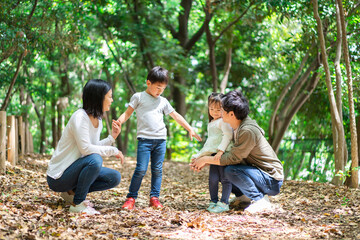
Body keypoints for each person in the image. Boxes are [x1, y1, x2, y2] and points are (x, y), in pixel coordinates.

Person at [118, 66, 202, 210]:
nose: (160, 91)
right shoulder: (138, 97)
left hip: (160, 140)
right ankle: (131, 198)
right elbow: (127, 113)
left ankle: (154, 198)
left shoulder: (163, 101)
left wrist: (190, 129)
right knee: (141, 169)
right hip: (144, 140)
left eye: (163, 88)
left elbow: (176, 116)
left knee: (157, 170)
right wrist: (119, 122)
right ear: (148, 83)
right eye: (157, 87)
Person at [190, 90, 283, 214]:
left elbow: (233, 158)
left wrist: (205, 159)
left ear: (231, 114)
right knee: (221, 170)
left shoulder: (247, 131)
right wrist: (206, 161)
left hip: (271, 179)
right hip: (256, 172)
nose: (219, 112)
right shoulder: (236, 126)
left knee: (230, 170)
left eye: (222, 110)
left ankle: (260, 200)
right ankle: (243, 196)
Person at [46, 79, 124, 215]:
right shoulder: (80, 117)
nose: (112, 100)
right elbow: (86, 149)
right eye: (110, 97)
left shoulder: (98, 120)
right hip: (58, 177)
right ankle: (77, 204)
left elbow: (93, 146)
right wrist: (113, 150)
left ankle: (72, 193)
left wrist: (112, 138)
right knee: (95, 160)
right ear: (99, 98)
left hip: (74, 170)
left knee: (114, 177)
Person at [191, 93, 233, 213]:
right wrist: (200, 156)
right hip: (213, 155)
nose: (214, 112)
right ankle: (213, 201)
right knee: (213, 179)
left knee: (225, 179)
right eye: (211, 109)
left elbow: (228, 136)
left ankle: (224, 202)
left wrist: (221, 151)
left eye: (218, 109)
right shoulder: (211, 123)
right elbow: (210, 143)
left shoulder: (223, 121)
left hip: (222, 154)